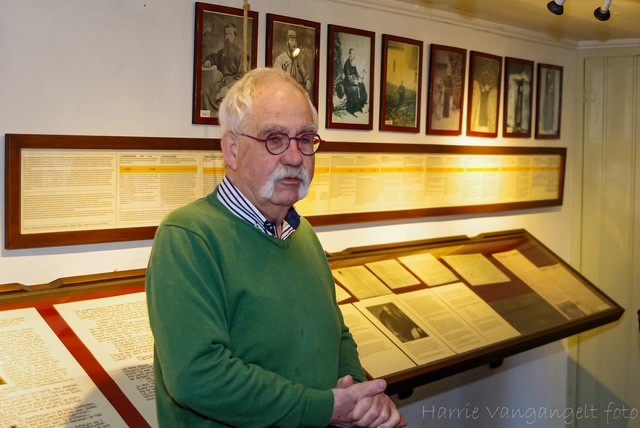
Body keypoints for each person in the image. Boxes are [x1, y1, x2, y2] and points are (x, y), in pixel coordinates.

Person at [146, 67, 406, 427]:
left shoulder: (303, 234)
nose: (295, 157)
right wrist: (325, 408)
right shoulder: (189, 237)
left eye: (305, 139)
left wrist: (359, 395)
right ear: (232, 150)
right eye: (274, 139)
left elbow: (336, 333)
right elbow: (198, 376)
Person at [201, 22, 243, 113]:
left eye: (230, 34)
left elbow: (241, 76)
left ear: (235, 36)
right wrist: (209, 61)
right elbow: (215, 57)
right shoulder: (224, 52)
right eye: (226, 34)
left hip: (233, 85)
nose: (227, 37)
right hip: (222, 83)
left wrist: (228, 87)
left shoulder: (239, 53)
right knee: (207, 92)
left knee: (223, 100)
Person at [273, 29, 313, 100]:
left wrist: (308, 81)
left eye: (295, 41)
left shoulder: (298, 59)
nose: (294, 43)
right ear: (287, 43)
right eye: (292, 40)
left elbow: (304, 73)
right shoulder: (280, 58)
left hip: (295, 92)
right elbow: (276, 77)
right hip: (284, 93)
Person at [342, 48, 368, 116]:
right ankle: (354, 109)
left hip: (354, 81)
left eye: (354, 54)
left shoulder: (353, 63)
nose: (354, 56)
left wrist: (359, 78)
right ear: (349, 54)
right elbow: (348, 77)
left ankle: (362, 103)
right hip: (348, 84)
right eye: (353, 54)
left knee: (362, 85)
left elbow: (356, 73)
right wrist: (354, 82)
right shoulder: (347, 64)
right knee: (354, 89)